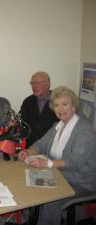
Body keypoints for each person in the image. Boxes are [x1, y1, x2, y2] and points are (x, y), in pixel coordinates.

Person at [19, 86, 96, 225]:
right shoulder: (57, 125)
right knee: (27, 186)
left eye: (65, 104)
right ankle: (29, 221)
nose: (60, 109)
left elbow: (75, 161)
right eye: (56, 105)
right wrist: (28, 152)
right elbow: (42, 143)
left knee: (50, 198)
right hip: (59, 174)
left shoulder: (85, 131)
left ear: (73, 106)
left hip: (81, 181)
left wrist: (47, 164)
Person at [20, 71, 59, 148]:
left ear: (48, 84)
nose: (34, 86)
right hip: (30, 147)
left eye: (37, 83)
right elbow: (21, 121)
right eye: (32, 83)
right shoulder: (28, 101)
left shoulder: (58, 100)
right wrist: (15, 123)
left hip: (51, 146)